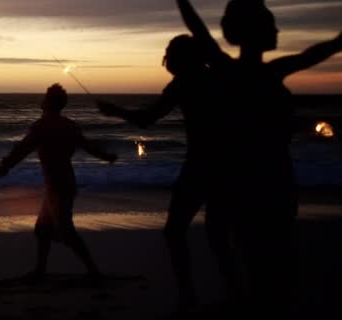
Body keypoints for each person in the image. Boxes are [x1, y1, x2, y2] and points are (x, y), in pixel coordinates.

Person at [175, 0, 342, 315]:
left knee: (262, 264)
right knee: (272, 268)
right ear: (253, 32)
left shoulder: (229, 69)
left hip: (249, 182)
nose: (277, 29)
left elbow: (198, 30)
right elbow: (324, 50)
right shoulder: (270, 71)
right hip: (269, 182)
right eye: (271, 24)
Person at [97, 35, 239, 309]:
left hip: (200, 166)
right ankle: (235, 293)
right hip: (229, 165)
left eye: (169, 54)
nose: (166, 60)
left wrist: (115, 111)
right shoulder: (217, 79)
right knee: (218, 235)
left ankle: (188, 296)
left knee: (175, 232)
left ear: (181, 58)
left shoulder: (183, 83)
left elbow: (147, 119)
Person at [0, 83, 117, 280]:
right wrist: (106, 157)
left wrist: (6, 166)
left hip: (58, 187)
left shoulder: (41, 127)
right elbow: (88, 147)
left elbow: (22, 149)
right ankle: (41, 270)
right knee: (42, 229)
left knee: (67, 232)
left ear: (47, 102)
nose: (42, 100)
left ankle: (94, 272)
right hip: (64, 183)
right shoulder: (69, 125)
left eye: (45, 97)